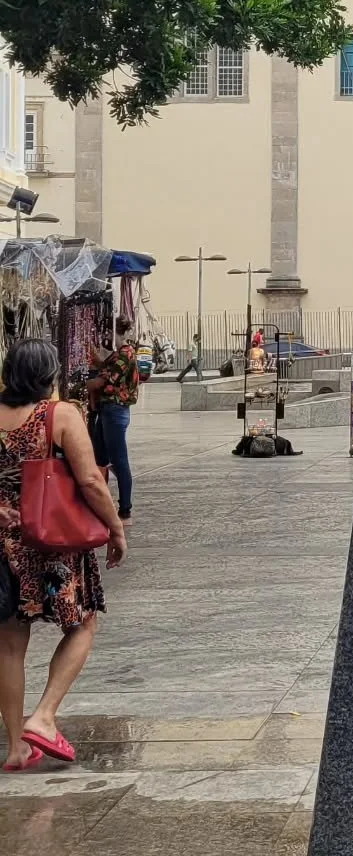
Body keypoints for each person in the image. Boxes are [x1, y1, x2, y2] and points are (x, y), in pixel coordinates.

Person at [0, 339, 126, 770]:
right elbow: (91, 480)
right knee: (83, 622)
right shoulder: (60, 414)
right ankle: (45, 716)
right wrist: (115, 529)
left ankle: (17, 747)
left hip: (3, 545)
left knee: (10, 645)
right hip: (50, 542)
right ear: (48, 374)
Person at [87, 317, 138, 523]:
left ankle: (125, 509)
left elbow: (100, 381)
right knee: (100, 458)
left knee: (119, 460)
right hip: (108, 411)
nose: (106, 337)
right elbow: (101, 363)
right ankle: (101, 502)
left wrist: (83, 385)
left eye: (107, 333)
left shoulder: (124, 356)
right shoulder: (119, 354)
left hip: (115, 411)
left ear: (115, 332)